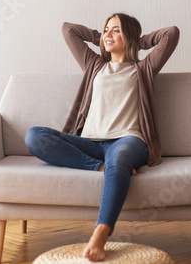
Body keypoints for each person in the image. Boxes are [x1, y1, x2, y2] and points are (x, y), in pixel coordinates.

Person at [25, 13, 179, 262]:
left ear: (129, 36)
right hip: (90, 144)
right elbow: (68, 30)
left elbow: (171, 33)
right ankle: (100, 167)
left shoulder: (144, 68)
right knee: (34, 136)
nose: (108, 34)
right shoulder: (94, 65)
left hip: (128, 140)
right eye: (106, 29)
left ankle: (100, 233)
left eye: (115, 30)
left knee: (119, 158)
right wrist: (102, 37)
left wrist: (136, 40)